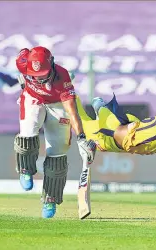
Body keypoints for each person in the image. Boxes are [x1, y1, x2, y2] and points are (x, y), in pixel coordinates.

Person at [14, 46, 96, 218]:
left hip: (58, 105)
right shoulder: (22, 62)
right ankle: (25, 169)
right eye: (35, 76)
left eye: (43, 74)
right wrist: (24, 80)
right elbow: (22, 55)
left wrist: (81, 137)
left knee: (57, 153)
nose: (40, 79)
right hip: (32, 98)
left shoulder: (63, 78)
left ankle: (50, 199)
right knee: (28, 132)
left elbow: (72, 111)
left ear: (51, 64)